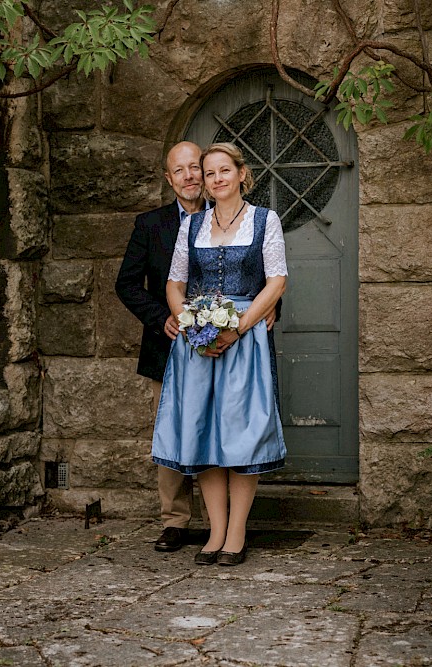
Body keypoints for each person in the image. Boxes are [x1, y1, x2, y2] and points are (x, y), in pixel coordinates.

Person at [152, 142, 288, 567]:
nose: (216, 179)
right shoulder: (191, 226)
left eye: (223, 171)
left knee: (240, 433)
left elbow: (277, 281)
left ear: (241, 174)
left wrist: (238, 327)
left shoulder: (265, 221)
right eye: (209, 174)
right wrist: (190, 323)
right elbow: (175, 284)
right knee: (204, 433)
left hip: (244, 340)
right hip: (198, 344)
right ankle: (214, 532)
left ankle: (237, 532)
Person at [115, 141, 207, 553]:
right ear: (169, 179)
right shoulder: (150, 225)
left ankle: (222, 521)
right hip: (167, 348)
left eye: (196, 167)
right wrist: (160, 318)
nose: (190, 176)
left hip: (225, 346)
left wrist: (274, 306)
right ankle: (175, 521)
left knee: (218, 430)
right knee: (171, 433)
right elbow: (127, 284)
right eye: (180, 170)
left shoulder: (233, 218)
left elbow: (260, 270)